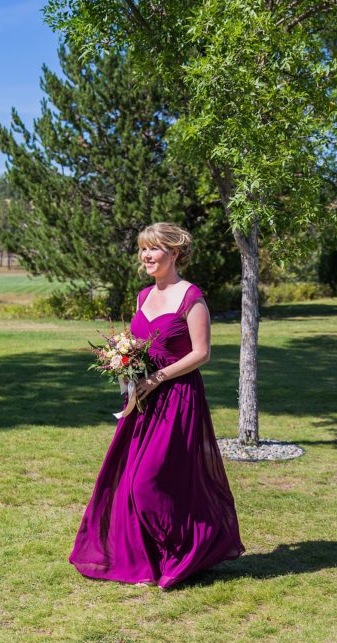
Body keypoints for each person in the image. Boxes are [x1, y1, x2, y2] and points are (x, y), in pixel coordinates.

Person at [69, 222, 245, 590]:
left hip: (178, 399)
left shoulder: (191, 297)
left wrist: (160, 377)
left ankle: (190, 549)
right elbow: (136, 344)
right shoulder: (142, 297)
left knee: (148, 483)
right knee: (129, 482)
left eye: (153, 249)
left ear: (175, 253)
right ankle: (148, 562)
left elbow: (202, 353)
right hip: (143, 400)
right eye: (143, 250)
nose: (146, 256)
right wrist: (126, 367)